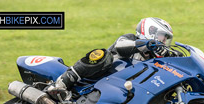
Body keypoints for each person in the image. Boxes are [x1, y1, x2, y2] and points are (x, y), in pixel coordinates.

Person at [48, 17, 180, 99]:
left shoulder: (152, 60)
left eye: (166, 40)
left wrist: (174, 55)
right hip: (98, 77)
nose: (163, 42)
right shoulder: (131, 38)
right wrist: (145, 44)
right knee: (102, 54)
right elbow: (120, 45)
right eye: (162, 37)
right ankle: (63, 82)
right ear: (150, 32)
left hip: (120, 91)